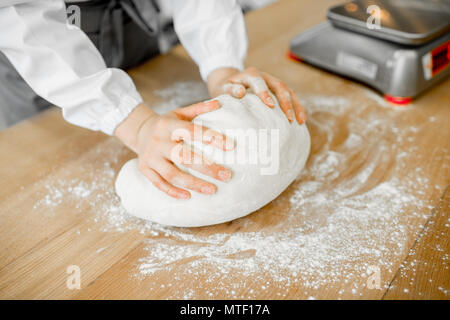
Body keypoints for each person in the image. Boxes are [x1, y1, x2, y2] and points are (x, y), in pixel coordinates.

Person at [0, 0, 306, 199]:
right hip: (41, 65)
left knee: (155, 82)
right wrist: (137, 125)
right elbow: (19, 15)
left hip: (133, 28)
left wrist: (221, 66)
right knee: (41, 184)